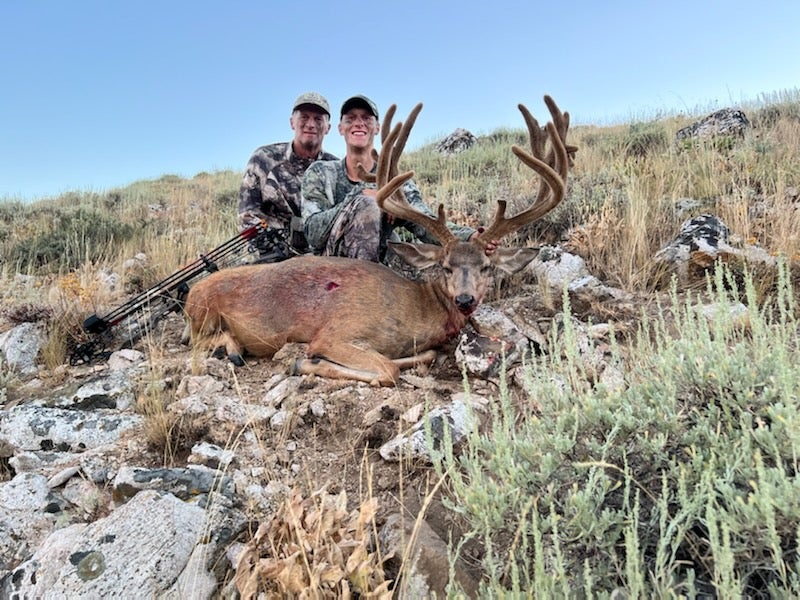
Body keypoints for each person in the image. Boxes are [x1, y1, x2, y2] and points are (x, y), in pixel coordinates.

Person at [302, 95, 493, 263]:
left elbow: (425, 222)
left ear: (377, 127)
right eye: (350, 119)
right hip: (330, 266)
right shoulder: (320, 172)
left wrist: (469, 237)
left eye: (366, 118)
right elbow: (312, 233)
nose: (358, 123)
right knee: (367, 204)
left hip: (380, 268)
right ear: (340, 128)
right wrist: (360, 197)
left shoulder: (396, 183)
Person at [238, 91, 338, 254]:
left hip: (320, 257)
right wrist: (278, 251)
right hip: (269, 254)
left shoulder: (336, 168)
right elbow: (247, 217)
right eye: (304, 117)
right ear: (292, 122)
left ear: (328, 128)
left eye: (318, 119)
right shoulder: (263, 158)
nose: (311, 124)